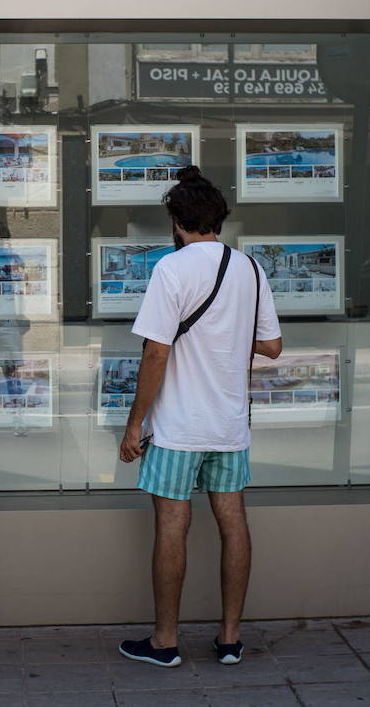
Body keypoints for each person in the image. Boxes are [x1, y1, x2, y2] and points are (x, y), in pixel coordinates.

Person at [118, 166, 282, 669]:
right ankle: (230, 638)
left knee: (172, 525)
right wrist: (226, 336)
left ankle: (165, 642)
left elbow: (155, 355)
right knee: (233, 523)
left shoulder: (172, 268)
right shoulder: (250, 268)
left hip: (178, 427)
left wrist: (133, 424)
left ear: (177, 220)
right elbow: (272, 346)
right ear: (219, 219)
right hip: (229, 425)